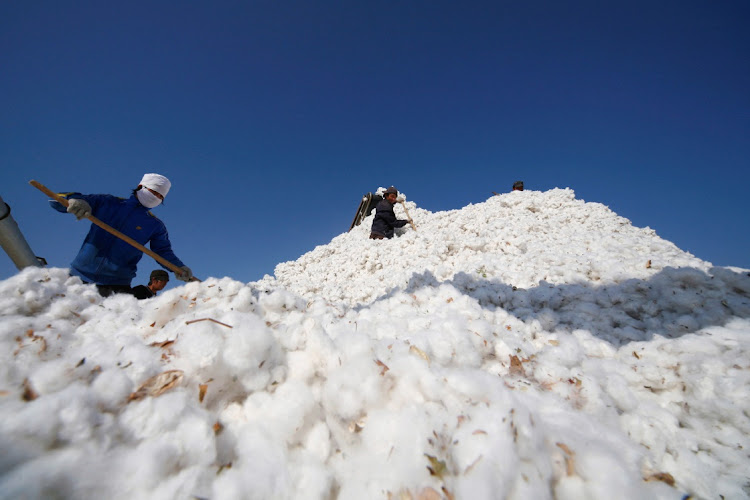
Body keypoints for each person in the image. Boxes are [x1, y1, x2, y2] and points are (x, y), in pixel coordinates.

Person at [50, 173, 192, 297]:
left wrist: (178, 267)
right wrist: (75, 202)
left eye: (160, 196)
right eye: (153, 191)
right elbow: (56, 200)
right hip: (78, 278)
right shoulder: (109, 203)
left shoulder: (155, 225)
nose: (156, 197)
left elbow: (162, 251)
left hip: (117, 287)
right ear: (141, 186)